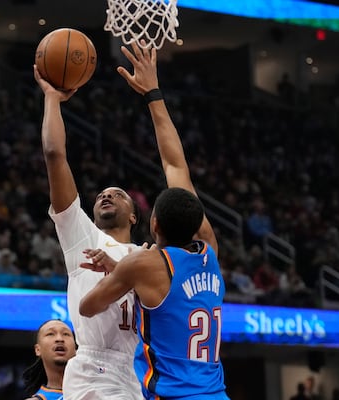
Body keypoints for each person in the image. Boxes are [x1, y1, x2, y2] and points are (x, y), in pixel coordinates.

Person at [33, 39, 185, 399]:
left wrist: (122, 266)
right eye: (101, 193)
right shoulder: (81, 236)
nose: (105, 195)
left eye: (117, 193)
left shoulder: (147, 256)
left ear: (134, 215)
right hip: (91, 368)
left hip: (130, 372)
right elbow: (55, 155)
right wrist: (52, 99)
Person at [78, 44, 228, 399]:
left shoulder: (143, 262)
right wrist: (154, 94)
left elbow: (88, 307)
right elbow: (176, 168)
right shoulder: (210, 249)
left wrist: (121, 269)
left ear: (153, 223)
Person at [22, 320, 77, 400]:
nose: (59, 339)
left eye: (66, 334)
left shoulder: (96, 390)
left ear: (76, 349)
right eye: (50, 334)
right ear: (38, 350)